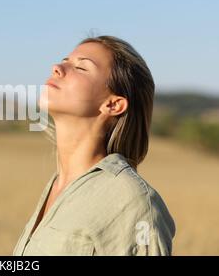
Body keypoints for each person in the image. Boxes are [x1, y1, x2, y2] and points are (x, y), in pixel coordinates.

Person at [12, 35, 176, 256]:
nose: (57, 68)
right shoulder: (58, 186)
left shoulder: (132, 202)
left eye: (81, 67)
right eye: (65, 61)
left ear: (113, 104)